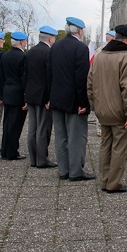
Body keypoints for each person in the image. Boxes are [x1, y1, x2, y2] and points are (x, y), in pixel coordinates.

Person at [87, 24, 127, 193]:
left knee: (105, 144)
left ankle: (104, 180)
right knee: (119, 147)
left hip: (103, 110)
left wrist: (95, 106)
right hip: (120, 113)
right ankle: (114, 183)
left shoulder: (100, 56)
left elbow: (90, 83)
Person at [48, 17, 95, 181]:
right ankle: (76, 171)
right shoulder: (81, 48)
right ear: (80, 31)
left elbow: (49, 73)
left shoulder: (55, 47)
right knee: (76, 137)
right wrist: (84, 102)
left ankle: (63, 170)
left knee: (60, 136)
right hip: (74, 100)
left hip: (56, 98)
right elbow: (81, 77)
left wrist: (49, 97)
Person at [25, 25, 59, 169]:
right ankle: (42, 159)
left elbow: (25, 75)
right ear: (50, 38)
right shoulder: (49, 53)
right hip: (42, 97)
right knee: (43, 129)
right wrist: (48, 98)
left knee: (32, 128)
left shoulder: (30, 52)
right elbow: (49, 78)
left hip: (31, 95)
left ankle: (33, 159)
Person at [0, 31, 28, 161]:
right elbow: (24, 79)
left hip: (8, 92)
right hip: (18, 95)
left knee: (7, 123)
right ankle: (12, 152)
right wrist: (25, 97)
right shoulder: (23, 57)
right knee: (16, 125)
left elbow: (1, 77)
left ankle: (5, 150)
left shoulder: (5, 56)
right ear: (22, 42)